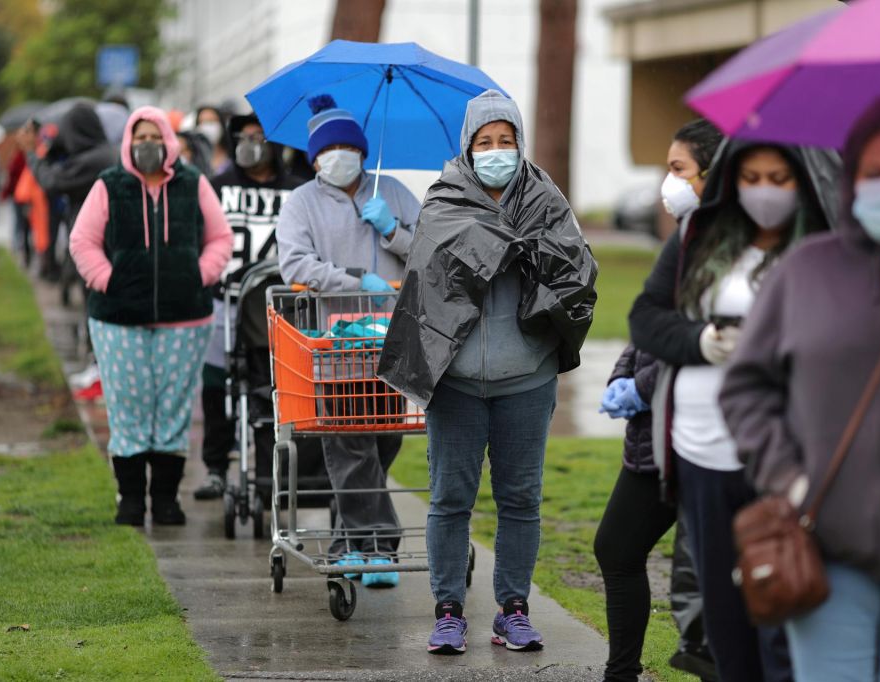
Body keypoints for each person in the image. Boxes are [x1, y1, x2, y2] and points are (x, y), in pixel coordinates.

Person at [720, 97, 880, 682]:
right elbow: (746, 389)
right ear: (850, 179)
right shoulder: (806, 270)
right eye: (875, 172)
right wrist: (789, 476)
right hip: (825, 545)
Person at [378, 90, 598, 655]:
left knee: (521, 499)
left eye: (506, 141)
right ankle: (449, 610)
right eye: (485, 143)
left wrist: (526, 250)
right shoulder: (444, 201)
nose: (496, 151)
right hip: (456, 383)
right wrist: (487, 244)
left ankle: (514, 609)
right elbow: (426, 282)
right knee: (450, 498)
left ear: (520, 145)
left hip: (527, 377)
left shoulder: (546, 202)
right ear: (468, 148)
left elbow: (577, 273)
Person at [628, 136, 840, 682]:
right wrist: (704, 341)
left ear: (802, 182)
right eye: (751, 179)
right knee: (725, 627)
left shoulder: (821, 246)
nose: (763, 193)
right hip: (702, 456)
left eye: (778, 179)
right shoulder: (698, 236)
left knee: (785, 616)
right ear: (730, 180)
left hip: (784, 458)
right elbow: (648, 317)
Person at [594, 119, 722, 682]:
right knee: (616, 549)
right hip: (654, 436)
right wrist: (623, 378)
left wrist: (641, 390)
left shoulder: (728, 252)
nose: (666, 185)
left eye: (678, 171)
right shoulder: (682, 240)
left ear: (711, 177)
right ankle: (621, 673)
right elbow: (645, 325)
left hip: (701, 438)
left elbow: (710, 339)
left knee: (704, 586)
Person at [275, 94, 421, 586]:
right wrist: (358, 281)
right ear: (314, 157)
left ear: (361, 149)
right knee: (350, 442)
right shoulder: (301, 203)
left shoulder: (395, 193)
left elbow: (435, 253)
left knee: (383, 442)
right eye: (327, 148)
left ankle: (347, 543)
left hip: (395, 344)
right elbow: (295, 264)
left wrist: (394, 231)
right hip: (333, 347)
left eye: (346, 145)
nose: (338, 155)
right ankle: (379, 546)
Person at [68, 106, 232, 526]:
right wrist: (107, 279)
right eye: (139, 137)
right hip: (118, 318)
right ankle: (130, 499)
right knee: (128, 404)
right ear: (128, 142)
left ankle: (165, 500)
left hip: (185, 318)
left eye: (154, 136)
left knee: (174, 408)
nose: (147, 145)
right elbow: (82, 240)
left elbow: (220, 238)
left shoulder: (193, 184)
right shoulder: (110, 185)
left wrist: (198, 274)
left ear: (168, 140)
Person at [194, 112, 312, 502]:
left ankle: (269, 476)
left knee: (270, 392)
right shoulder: (216, 187)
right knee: (217, 387)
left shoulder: (298, 191)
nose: (251, 143)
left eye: (259, 136)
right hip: (225, 302)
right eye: (244, 136)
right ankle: (215, 466)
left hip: (281, 309)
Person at [18, 104, 119, 304]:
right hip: (103, 240)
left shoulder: (93, 161)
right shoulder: (106, 152)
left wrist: (31, 152)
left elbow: (51, 181)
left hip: (97, 243)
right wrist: (52, 144)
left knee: (95, 301)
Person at [194, 105, 232, 177]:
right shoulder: (195, 158)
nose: (208, 126)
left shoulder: (232, 154)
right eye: (203, 122)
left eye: (212, 121)